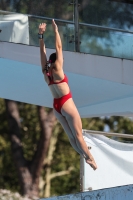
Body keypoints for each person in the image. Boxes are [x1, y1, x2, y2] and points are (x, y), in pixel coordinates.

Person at [38, 19, 97, 170]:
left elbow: (42, 53)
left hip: (56, 106)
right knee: (78, 135)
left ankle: (84, 155)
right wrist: (56, 31)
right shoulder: (57, 68)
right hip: (66, 103)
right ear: (57, 60)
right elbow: (58, 46)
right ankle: (90, 159)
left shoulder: (46, 72)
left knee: (72, 137)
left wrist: (41, 36)